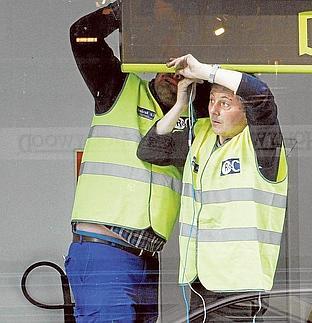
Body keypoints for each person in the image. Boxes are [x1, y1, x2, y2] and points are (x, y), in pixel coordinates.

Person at [65, 2, 209, 321]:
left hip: (147, 258)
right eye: (169, 65)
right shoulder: (119, 87)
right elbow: (82, 34)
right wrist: (134, 8)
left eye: (182, 71)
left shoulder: (194, 120)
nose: (172, 75)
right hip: (104, 250)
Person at [137, 54, 289, 322]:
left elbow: (261, 95)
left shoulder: (261, 145)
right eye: (211, 101)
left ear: (247, 112)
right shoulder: (203, 135)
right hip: (199, 281)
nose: (214, 110)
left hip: (238, 285)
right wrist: (181, 103)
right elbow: (150, 149)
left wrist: (206, 71)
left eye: (225, 103)